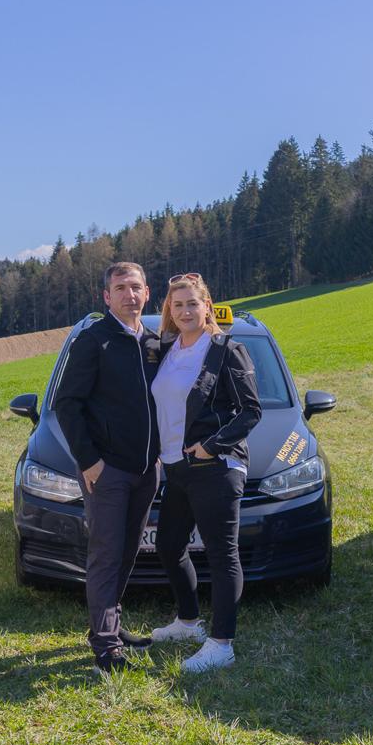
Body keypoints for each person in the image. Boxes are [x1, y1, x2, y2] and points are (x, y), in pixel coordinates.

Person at [52, 262, 163, 673]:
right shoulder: (93, 341)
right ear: (106, 296)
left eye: (135, 287)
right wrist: (90, 461)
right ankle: (105, 648)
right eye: (120, 288)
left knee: (129, 550)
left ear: (147, 293)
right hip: (107, 471)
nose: (129, 295)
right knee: (106, 554)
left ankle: (110, 626)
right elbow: (67, 405)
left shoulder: (154, 343)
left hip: (146, 470)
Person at [147, 273, 261, 673]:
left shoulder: (226, 350)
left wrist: (212, 445)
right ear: (169, 309)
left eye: (192, 304)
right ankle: (189, 622)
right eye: (177, 305)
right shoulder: (168, 349)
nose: (185, 312)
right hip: (177, 468)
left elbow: (251, 410)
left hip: (215, 466)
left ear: (206, 306)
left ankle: (222, 644)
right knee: (168, 545)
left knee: (221, 554)